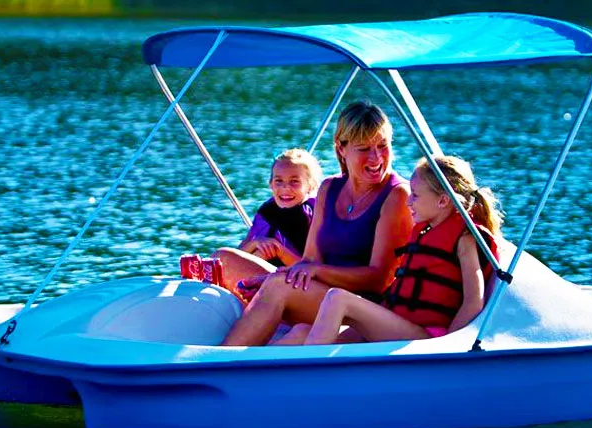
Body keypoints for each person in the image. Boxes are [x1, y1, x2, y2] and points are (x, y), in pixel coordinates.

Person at [221, 100, 413, 346]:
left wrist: (309, 274)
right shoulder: (329, 188)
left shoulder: (397, 195)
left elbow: (379, 279)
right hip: (321, 293)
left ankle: (220, 360)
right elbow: (310, 259)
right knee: (225, 260)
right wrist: (276, 276)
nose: (376, 157)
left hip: (364, 307)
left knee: (279, 287)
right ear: (341, 149)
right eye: (364, 148)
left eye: (383, 145)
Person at [296, 155, 503, 345]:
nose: (408, 201)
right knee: (300, 332)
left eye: (415, 195)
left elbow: (473, 301)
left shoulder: (464, 239)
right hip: (400, 323)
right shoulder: (424, 232)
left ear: (443, 200)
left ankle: (308, 380)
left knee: (337, 299)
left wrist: (447, 347)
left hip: (427, 336)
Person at [212, 148, 322, 285]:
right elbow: (240, 252)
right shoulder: (267, 211)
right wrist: (256, 243)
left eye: (294, 181)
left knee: (222, 257)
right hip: (264, 276)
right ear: (270, 184)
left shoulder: (314, 215)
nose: (285, 188)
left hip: (293, 281)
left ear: (311, 185)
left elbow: (315, 270)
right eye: (278, 181)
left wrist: (279, 252)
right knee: (219, 258)